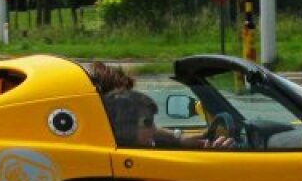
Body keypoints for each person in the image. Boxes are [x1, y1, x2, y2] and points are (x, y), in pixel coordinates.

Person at [88, 61, 233, 149]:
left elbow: (156, 133)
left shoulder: (114, 137)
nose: (132, 102)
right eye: (126, 102)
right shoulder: (125, 149)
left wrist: (189, 140)